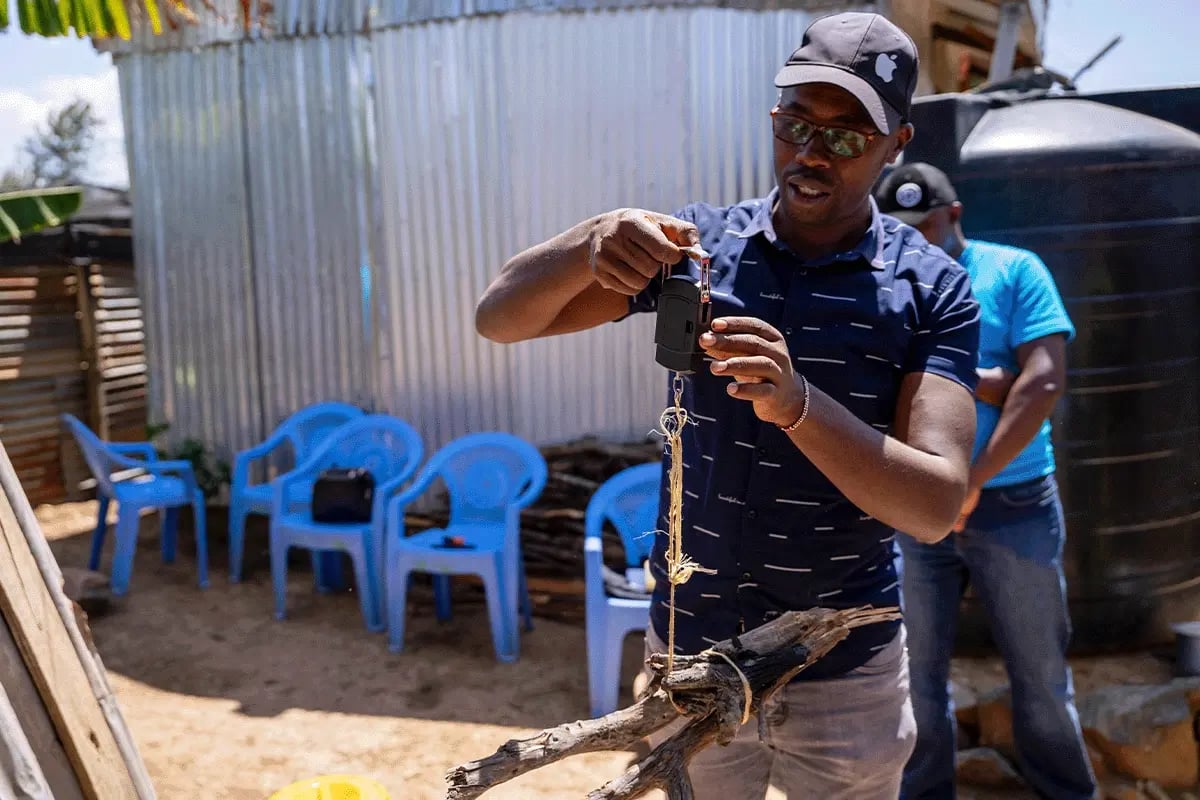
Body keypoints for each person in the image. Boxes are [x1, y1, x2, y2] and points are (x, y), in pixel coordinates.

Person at [476, 12, 981, 799]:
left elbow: (935, 506)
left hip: (842, 671)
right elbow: (499, 319)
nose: (812, 153)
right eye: (795, 125)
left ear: (897, 144)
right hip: (690, 652)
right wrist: (589, 240)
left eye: (847, 137)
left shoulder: (930, 289)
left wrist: (799, 405)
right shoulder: (698, 253)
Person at [874, 162, 1097, 800]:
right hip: (918, 509)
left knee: (1040, 675)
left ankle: (1066, 792)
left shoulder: (1014, 271)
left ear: (956, 214)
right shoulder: (889, 282)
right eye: (903, 228)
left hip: (1014, 502)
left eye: (928, 223)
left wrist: (969, 480)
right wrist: (992, 378)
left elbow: (1046, 381)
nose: (917, 236)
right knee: (915, 677)